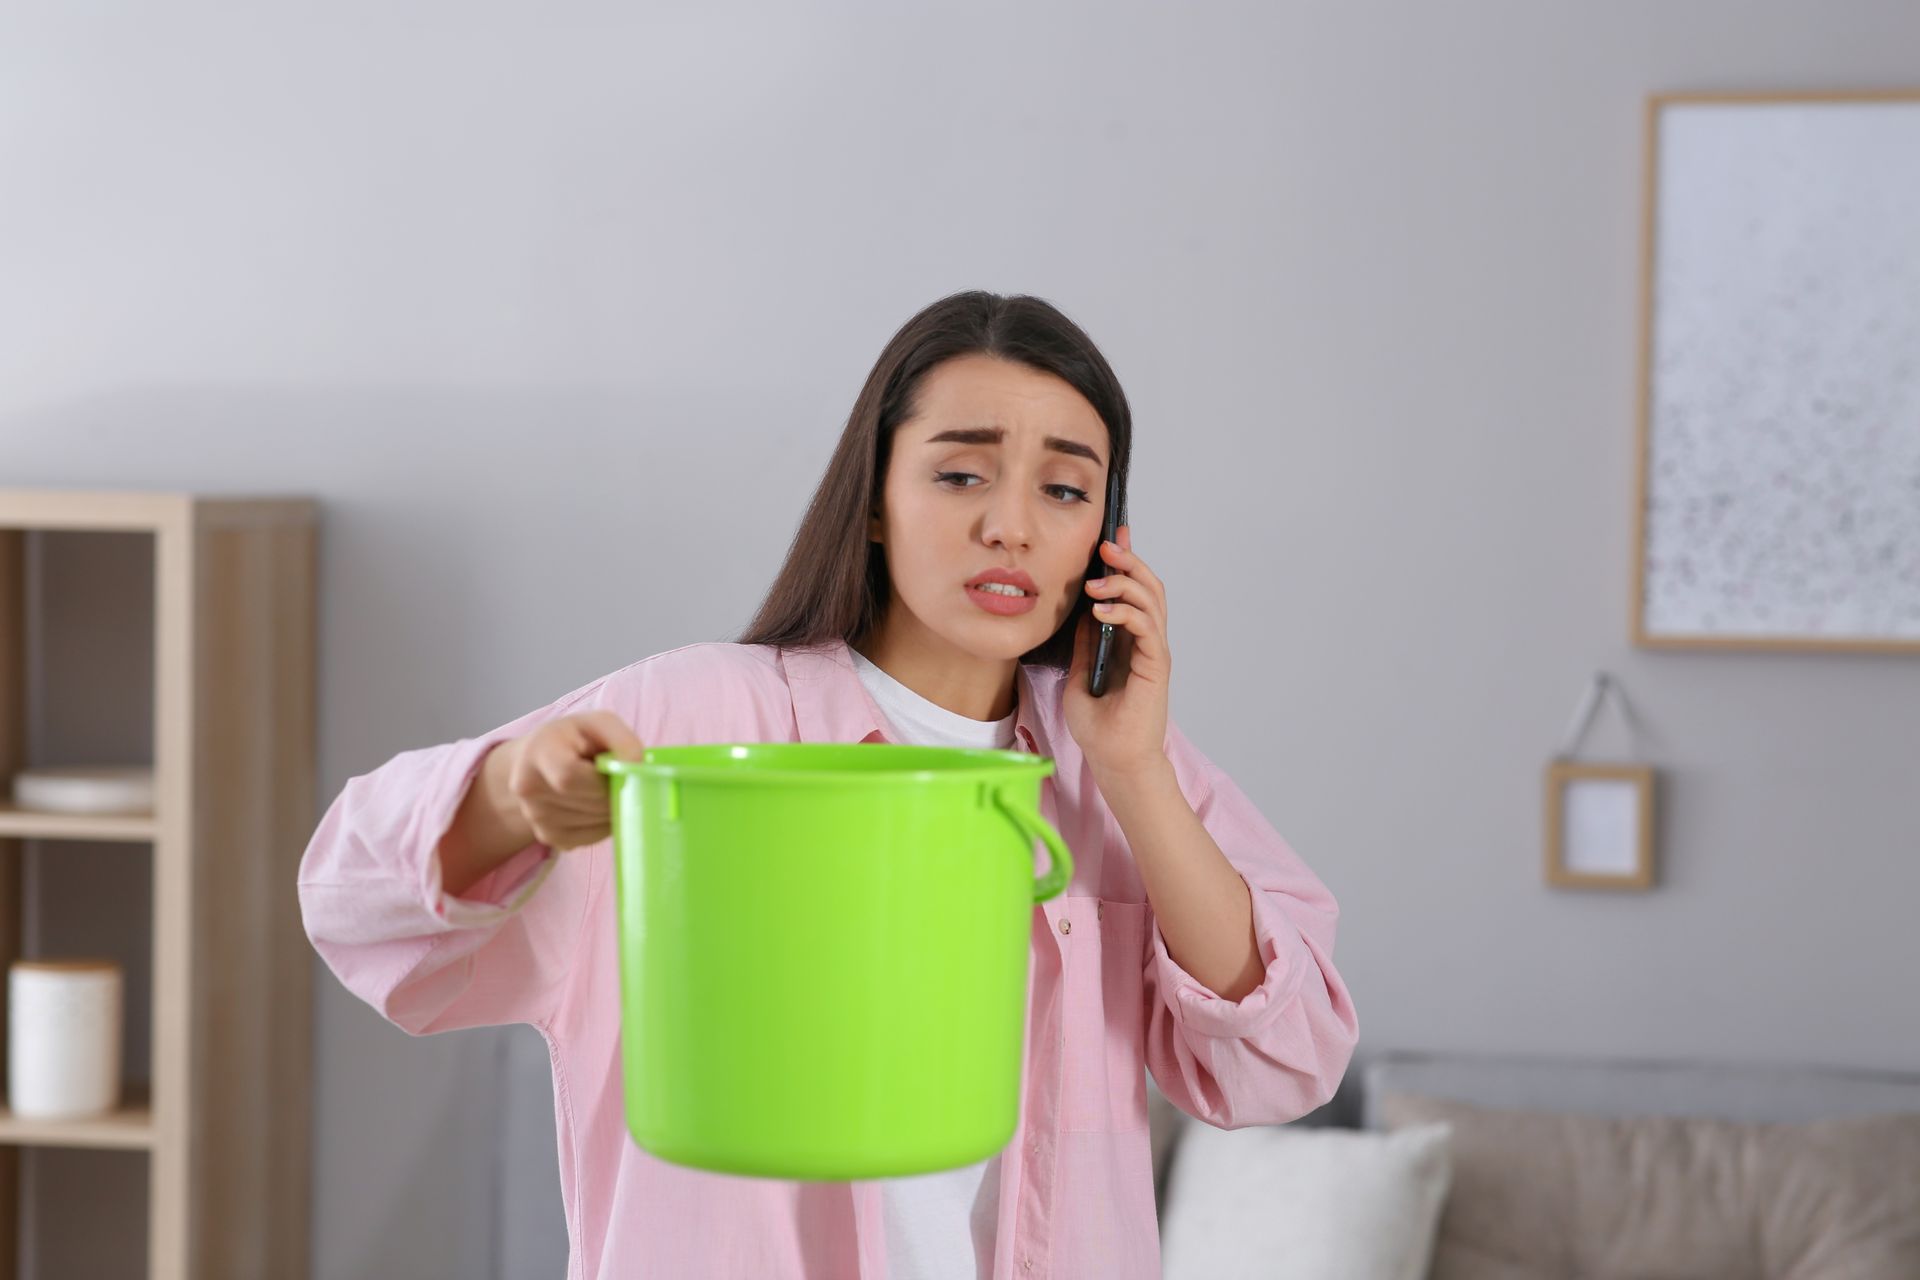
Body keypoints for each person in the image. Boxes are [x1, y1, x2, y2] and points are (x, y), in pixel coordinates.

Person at [297, 290, 1359, 1280]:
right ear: (879, 499)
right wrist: (508, 799)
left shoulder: (1123, 768)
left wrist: (1132, 768)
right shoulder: (698, 718)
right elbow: (348, 891)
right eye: (961, 473)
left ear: (1104, 538)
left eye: (1065, 487)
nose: (1012, 525)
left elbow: (1284, 1060)